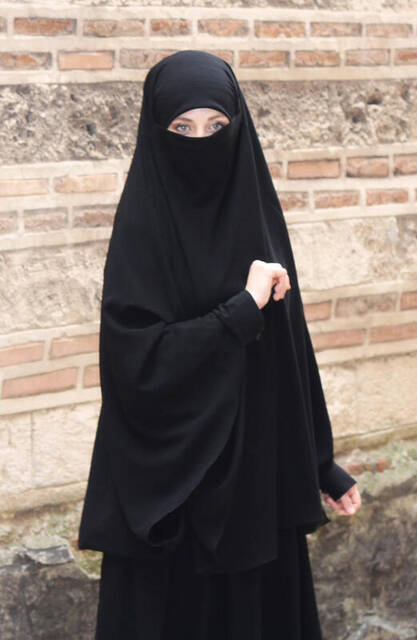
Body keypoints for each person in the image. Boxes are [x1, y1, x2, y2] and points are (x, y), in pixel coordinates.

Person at [78, 50, 361, 639]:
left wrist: (320, 464)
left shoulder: (254, 215)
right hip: (170, 501)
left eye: (216, 125)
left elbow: (289, 350)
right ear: (157, 131)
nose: (201, 141)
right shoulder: (143, 231)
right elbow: (136, 365)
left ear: (238, 127)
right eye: (182, 128)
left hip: (254, 489)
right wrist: (239, 312)